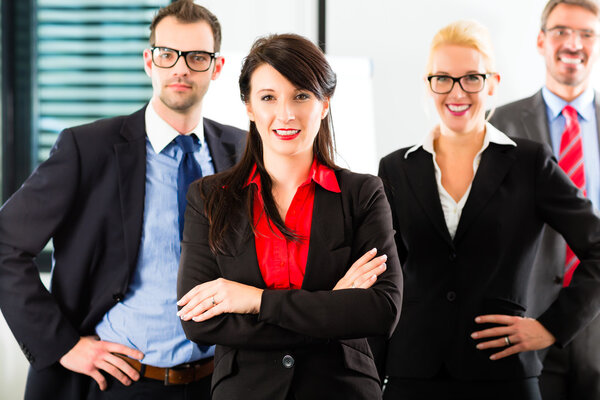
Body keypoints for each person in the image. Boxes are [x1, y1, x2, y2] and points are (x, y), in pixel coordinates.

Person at [0, 1, 245, 399]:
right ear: (149, 61)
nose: (180, 68)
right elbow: (5, 243)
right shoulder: (88, 149)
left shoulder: (242, 149)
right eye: (168, 55)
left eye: (197, 57)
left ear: (216, 68)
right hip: (123, 382)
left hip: (222, 383)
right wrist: (62, 344)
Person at [378, 20, 600, 400]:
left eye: (471, 78)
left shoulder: (529, 162)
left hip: (504, 374)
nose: (456, 91)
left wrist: (551, 327)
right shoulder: (395, 167)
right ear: (428, 84)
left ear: (492, 83)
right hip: (412, 374)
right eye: (443, 78)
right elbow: (384, 273)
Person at [175, 33, 403, 400]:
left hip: (341, 390)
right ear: (249, 107)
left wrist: (255, 300)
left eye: (301, 95)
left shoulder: (362, 194)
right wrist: (330, 305)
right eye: (268, 97)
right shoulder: (208, 198)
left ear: (324, 103)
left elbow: (380, 310)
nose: (286, 114)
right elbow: (198, 319)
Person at [489, 1, 600, 398]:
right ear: (541, 40)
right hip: (524, 320)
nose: (573, 42)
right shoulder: (501, 124)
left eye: (587, 33)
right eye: (561, 30)